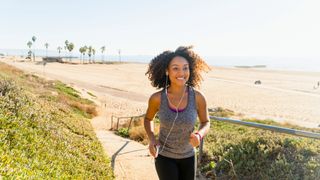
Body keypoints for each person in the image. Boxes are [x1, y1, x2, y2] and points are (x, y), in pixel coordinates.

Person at [144, 46, 211, 180]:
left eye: (185, 68)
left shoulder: (198, 97)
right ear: (167, 71)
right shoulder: (157, 98)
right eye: (175, 68)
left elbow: (206, 122)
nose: (181, 72)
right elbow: (148, 119)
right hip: (164, 156)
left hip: (189, 157)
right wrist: (152, 139)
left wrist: (199, 134)